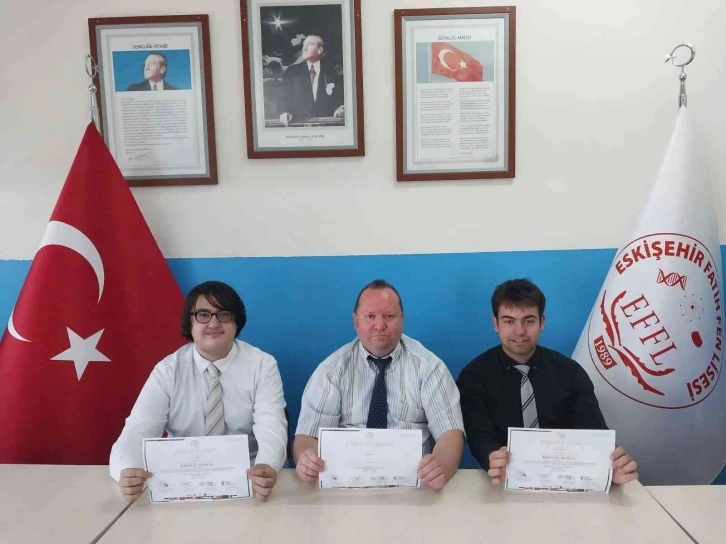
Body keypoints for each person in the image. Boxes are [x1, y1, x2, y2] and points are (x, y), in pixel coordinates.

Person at [109, 281, 288, 501]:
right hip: (180, 484)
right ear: (190, 323)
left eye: (223, 314)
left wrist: (266, 467)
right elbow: (135, 434)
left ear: (236, 322)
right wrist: (126, 471)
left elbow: (272, 429)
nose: (213, 323)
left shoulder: (262, 365)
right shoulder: (168, 370)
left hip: (247, 480)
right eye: (203, 315)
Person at [457, 279, 638, 485]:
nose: (519, 331)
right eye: (509, 321)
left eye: (529, 321)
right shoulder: (474, 376)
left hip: (568, 481)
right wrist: (491, 457)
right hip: (503, 480)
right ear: (495, 324)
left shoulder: (570, 372)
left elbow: (593, 430)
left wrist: (609, 466)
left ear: (541, 322)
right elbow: (480, 437)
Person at [294, 279, 465, 490]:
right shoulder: (331, 371)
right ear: (355, 321)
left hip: (414, 486)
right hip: (346, 487)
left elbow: (450, 433)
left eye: (389, 316)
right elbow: (308, 435)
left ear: (402, 319)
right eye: (370, 316)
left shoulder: (429, 367)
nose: (379, 325)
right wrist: (306, 459)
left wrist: (440, 467)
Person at [278, 35, 344, 126]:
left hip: (324, 126)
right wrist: (284, 112)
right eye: (304, 45)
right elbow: (282, 98)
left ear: (319, 50)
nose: (304, 48)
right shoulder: (292, 72)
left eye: (309, 44)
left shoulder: (331, 72)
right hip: (298, 126)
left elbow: (338, 99)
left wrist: (339, 109)